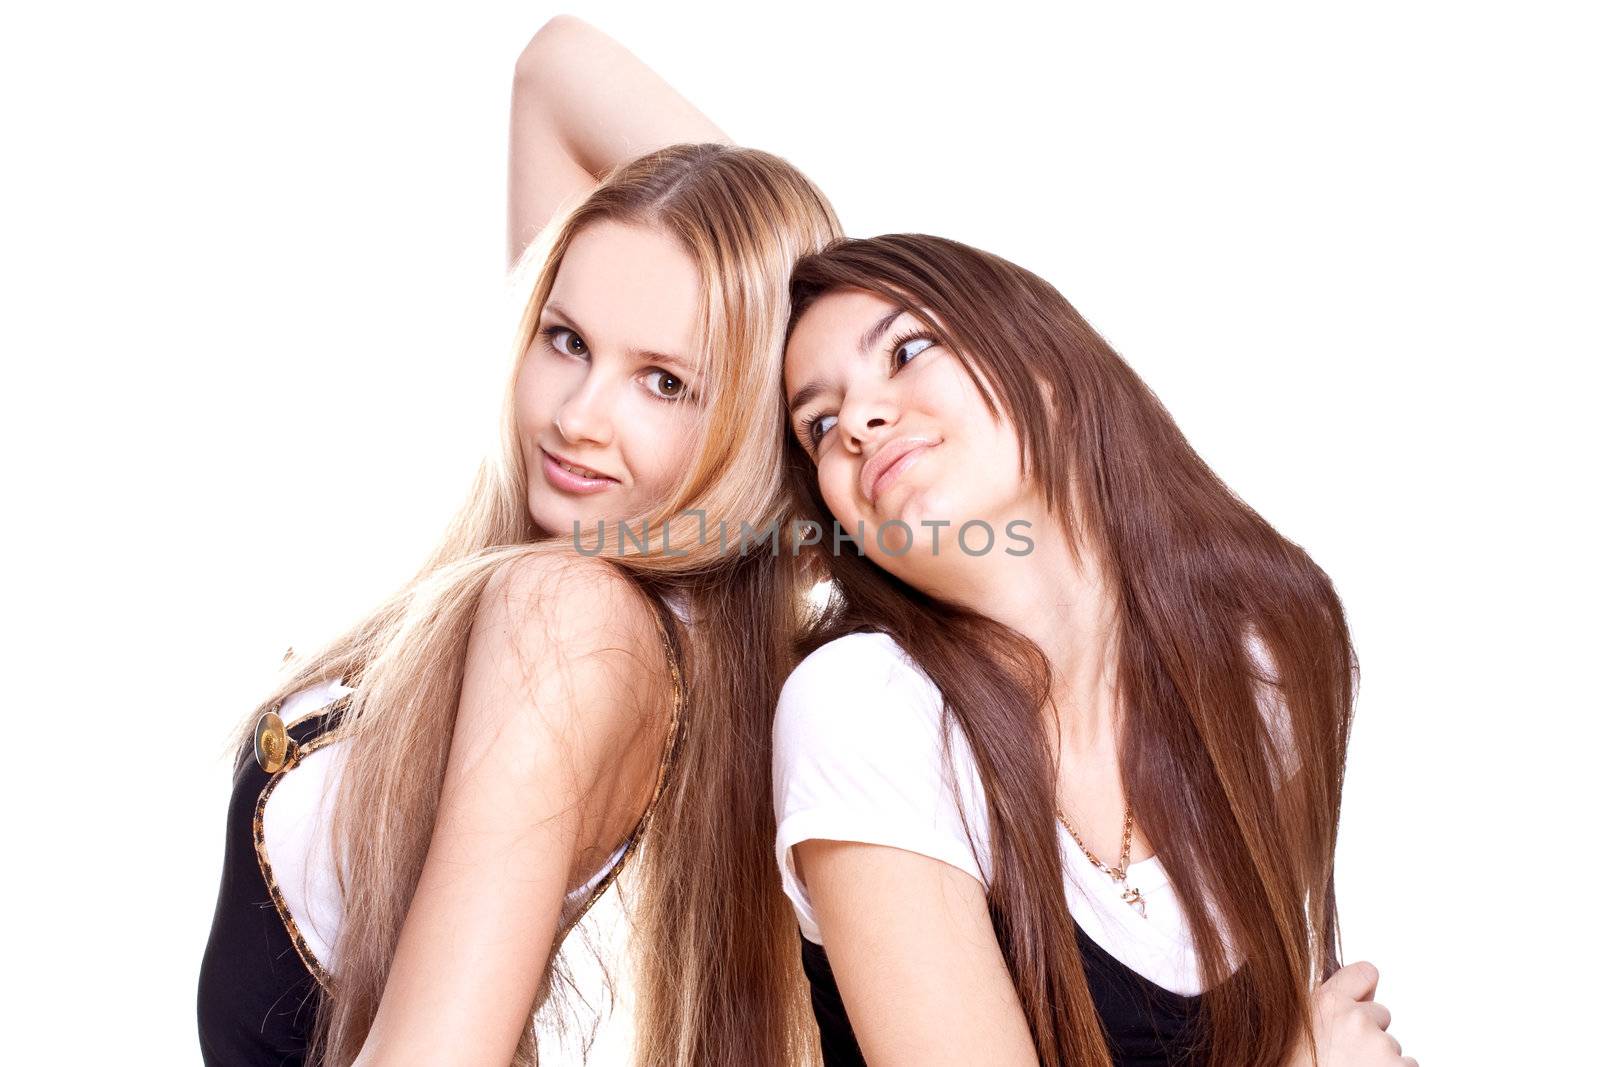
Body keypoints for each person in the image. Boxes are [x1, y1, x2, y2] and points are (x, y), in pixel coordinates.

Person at [197, 16, 838, 1066]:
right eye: (567, 338)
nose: (578, 416)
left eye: (665, 380)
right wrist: (761, 258)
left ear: (757, 415)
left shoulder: (571, 610)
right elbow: (553, 70)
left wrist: (807, 318)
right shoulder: (601, 565)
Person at [773, 234, 1418, 1066]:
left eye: (908, 348)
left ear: (1047, 368)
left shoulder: (1258, 672)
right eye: (819, 424)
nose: (857, 423)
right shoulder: (866, 708)